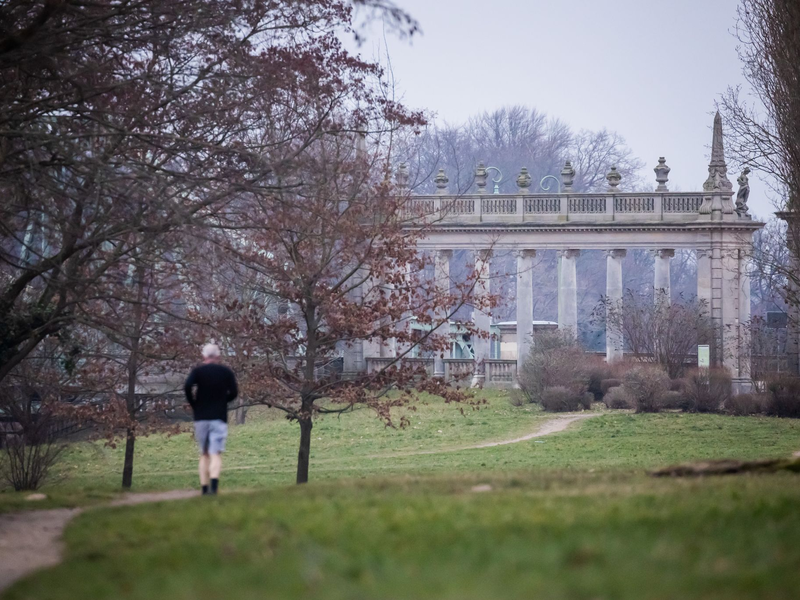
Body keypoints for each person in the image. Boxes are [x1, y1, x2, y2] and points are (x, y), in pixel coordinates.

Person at [184, 343, 238, 495]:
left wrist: (194, 402)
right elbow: (234, 392)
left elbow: (188, 386)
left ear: (204, 356)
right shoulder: (225, 372)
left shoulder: (198, 371)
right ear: (218, 356)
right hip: (219, 417)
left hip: (201, 417)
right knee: (216, 453)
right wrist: (223, 401)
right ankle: (214, 486)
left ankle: (204, 487)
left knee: (204, 453)